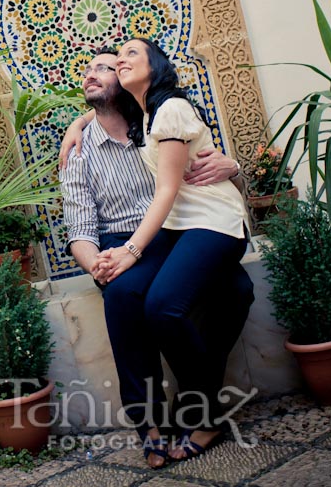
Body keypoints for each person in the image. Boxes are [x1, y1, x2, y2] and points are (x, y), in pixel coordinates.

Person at [59, 49, 254, 469]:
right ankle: (150, 423)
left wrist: (233, 167)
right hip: (121, 241)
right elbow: (78, 230)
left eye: (104, 68)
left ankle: (195, 402)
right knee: (124, 294)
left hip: (174, 232)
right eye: (87, 70)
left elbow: (203, 168)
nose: (91, 75)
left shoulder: (151, 119)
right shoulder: (79, 148)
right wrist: (98, 263)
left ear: (126, 81)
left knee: (238, 288)